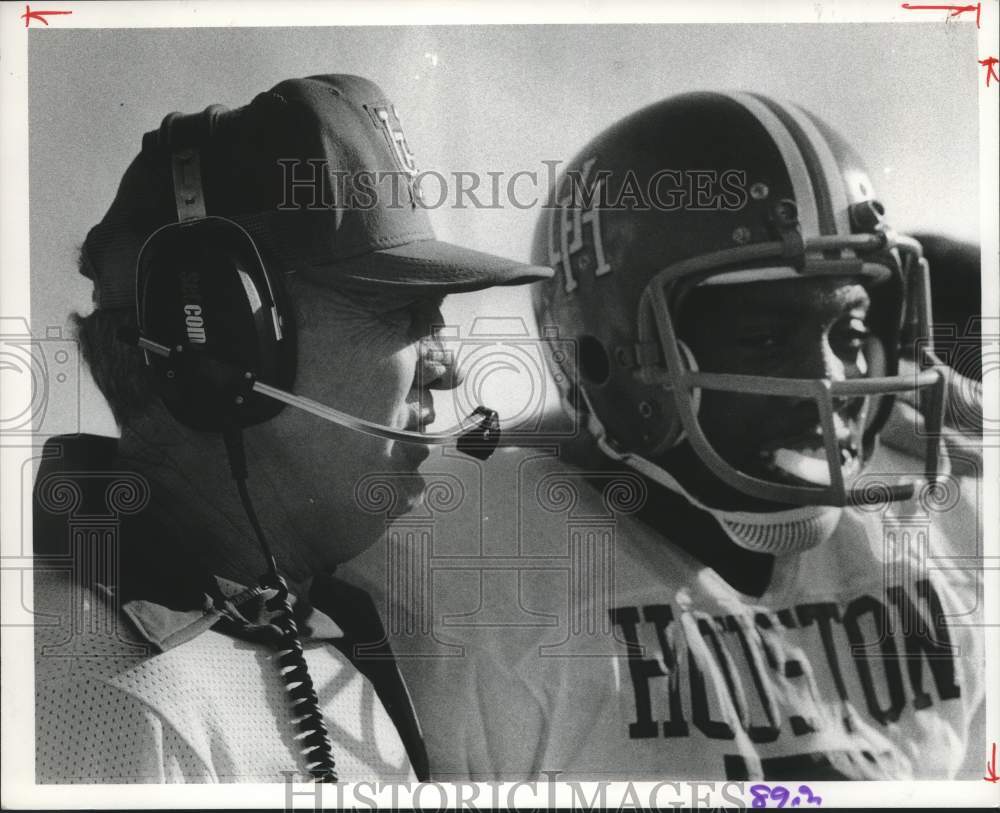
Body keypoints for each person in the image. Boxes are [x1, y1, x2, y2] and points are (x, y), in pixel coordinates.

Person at [339, 91, 985, 781]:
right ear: (608, 353)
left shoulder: (944, 514)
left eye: (849, 333)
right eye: (763, 339)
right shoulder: (462, 553)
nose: (831, 386)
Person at [31, 73, 552, 784]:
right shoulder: (117, 701)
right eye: (403, 314)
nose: (449, 368)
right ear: (220, 338)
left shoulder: (312, 625)